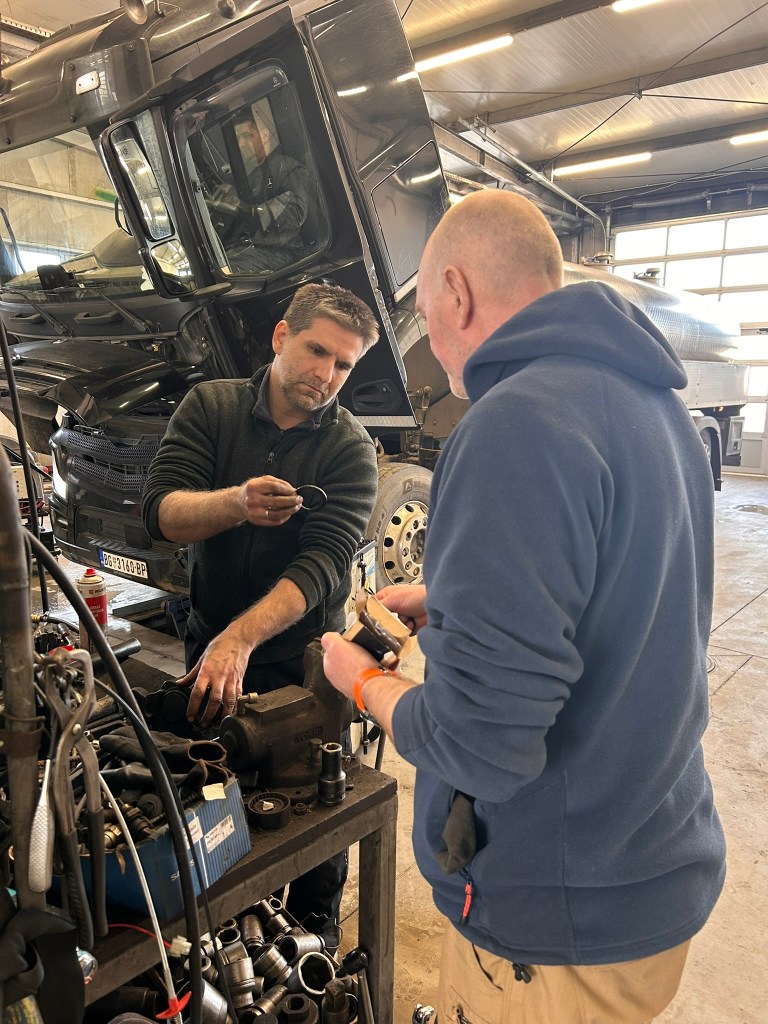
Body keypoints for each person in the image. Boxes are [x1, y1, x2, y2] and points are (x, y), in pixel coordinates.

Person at [321, 191, 726, 1023]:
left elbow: (481, 744)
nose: (434, 350)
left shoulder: (515, 421)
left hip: (557, 918)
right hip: (650, 866)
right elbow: (621, 582)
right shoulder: (657, 409)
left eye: (430, 322)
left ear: (458, 295)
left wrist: (362, 682)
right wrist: (455, 596)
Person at [142, 281, 380, 941]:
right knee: (211, 816)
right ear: (281, 336)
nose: (325, 375)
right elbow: (160, 513)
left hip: (304, 677)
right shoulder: (212, 408)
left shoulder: (351, 450)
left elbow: (321, 566)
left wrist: (240, 641)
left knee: (314, 835)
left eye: (343, 364)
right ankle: (226, 955)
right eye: (316, 351)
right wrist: (236, 504)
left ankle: (314, 958)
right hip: (208, 654)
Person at [209, 102, 313, 274]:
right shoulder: (247, 174)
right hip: (249, 246)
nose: (241, 144)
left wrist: (249, 210)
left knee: (221, 274)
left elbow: (296, 212)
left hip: (280, 251)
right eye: (238, 139)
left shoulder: (287, 168)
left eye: (247, 136)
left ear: (264, 136)